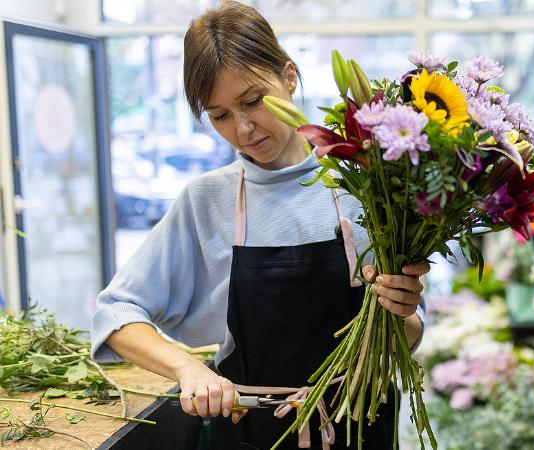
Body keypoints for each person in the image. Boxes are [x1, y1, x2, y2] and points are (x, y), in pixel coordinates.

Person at [90, 2, 427, 448]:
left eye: (252, 101)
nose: (244, 128)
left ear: (289, 77)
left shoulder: (368, 183)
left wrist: (404, 312)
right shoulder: (207, 201)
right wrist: (188, 368)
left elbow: (410, 331)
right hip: (254, 431)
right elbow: (115, 314)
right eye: (220, 115)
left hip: (363, 426)